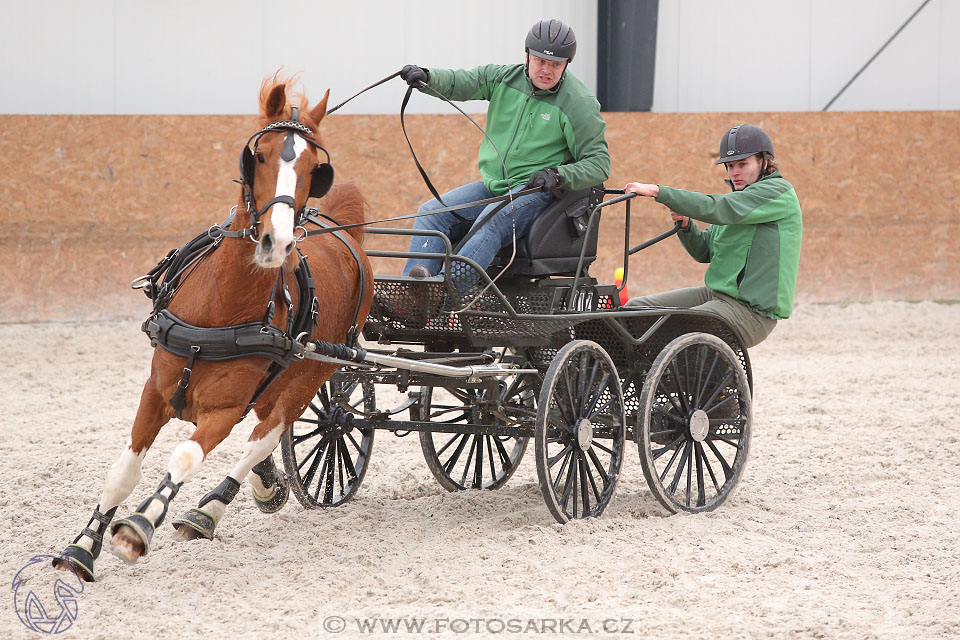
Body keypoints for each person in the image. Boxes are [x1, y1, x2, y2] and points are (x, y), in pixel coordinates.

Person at [398, 18, 610, 279]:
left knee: (490, 221)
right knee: (431, 213)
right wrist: (427, 77)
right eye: (540, 61)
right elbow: (461, 81)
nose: (546, 70)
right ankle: (412, 294)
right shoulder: (503, 78)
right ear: (527, 56)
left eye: (555, 64)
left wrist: (557, 174)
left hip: (538, 191)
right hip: (495, 186)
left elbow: (599, 163)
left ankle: (442, 293)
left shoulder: (578, 103)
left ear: (566, 65)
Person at [623, 124, 802, 348]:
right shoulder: (739, 201)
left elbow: (720, 208)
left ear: (764, 162)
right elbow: (703, 251)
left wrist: (660, 192)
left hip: (750, 313)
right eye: (729, 166)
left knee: (677, 324)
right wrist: (687, 226)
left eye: (743, 164)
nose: (734, 172)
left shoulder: (777, 193)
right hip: (715, 296)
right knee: (633, 311)